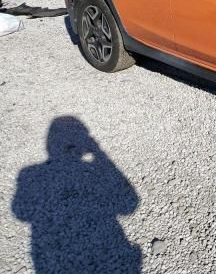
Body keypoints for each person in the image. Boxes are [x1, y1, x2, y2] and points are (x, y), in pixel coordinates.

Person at [12, 116, 141, 273]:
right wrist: (99, 153)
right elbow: (129, 205)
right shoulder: (29, 173)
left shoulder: (28, 173)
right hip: (107, 243)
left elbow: (20, 212)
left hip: (51, 253)